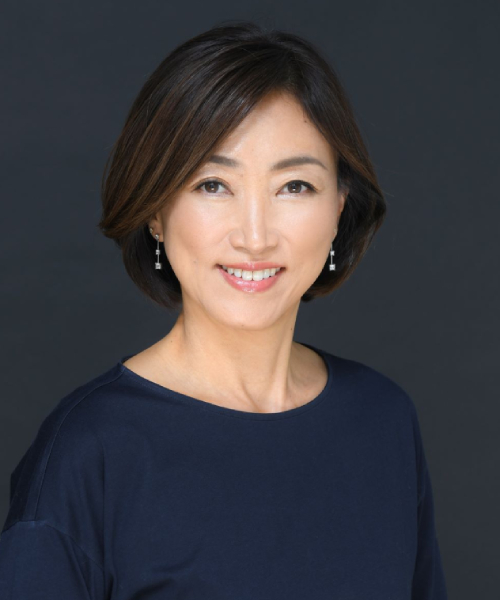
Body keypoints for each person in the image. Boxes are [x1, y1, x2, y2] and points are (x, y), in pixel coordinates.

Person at [0, 20, 448, 599]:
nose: (254, 237)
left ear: (340, 205)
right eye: (212, 185)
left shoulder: (383, 419)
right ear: (156, 212)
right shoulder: (89, 454)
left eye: (294, 186)